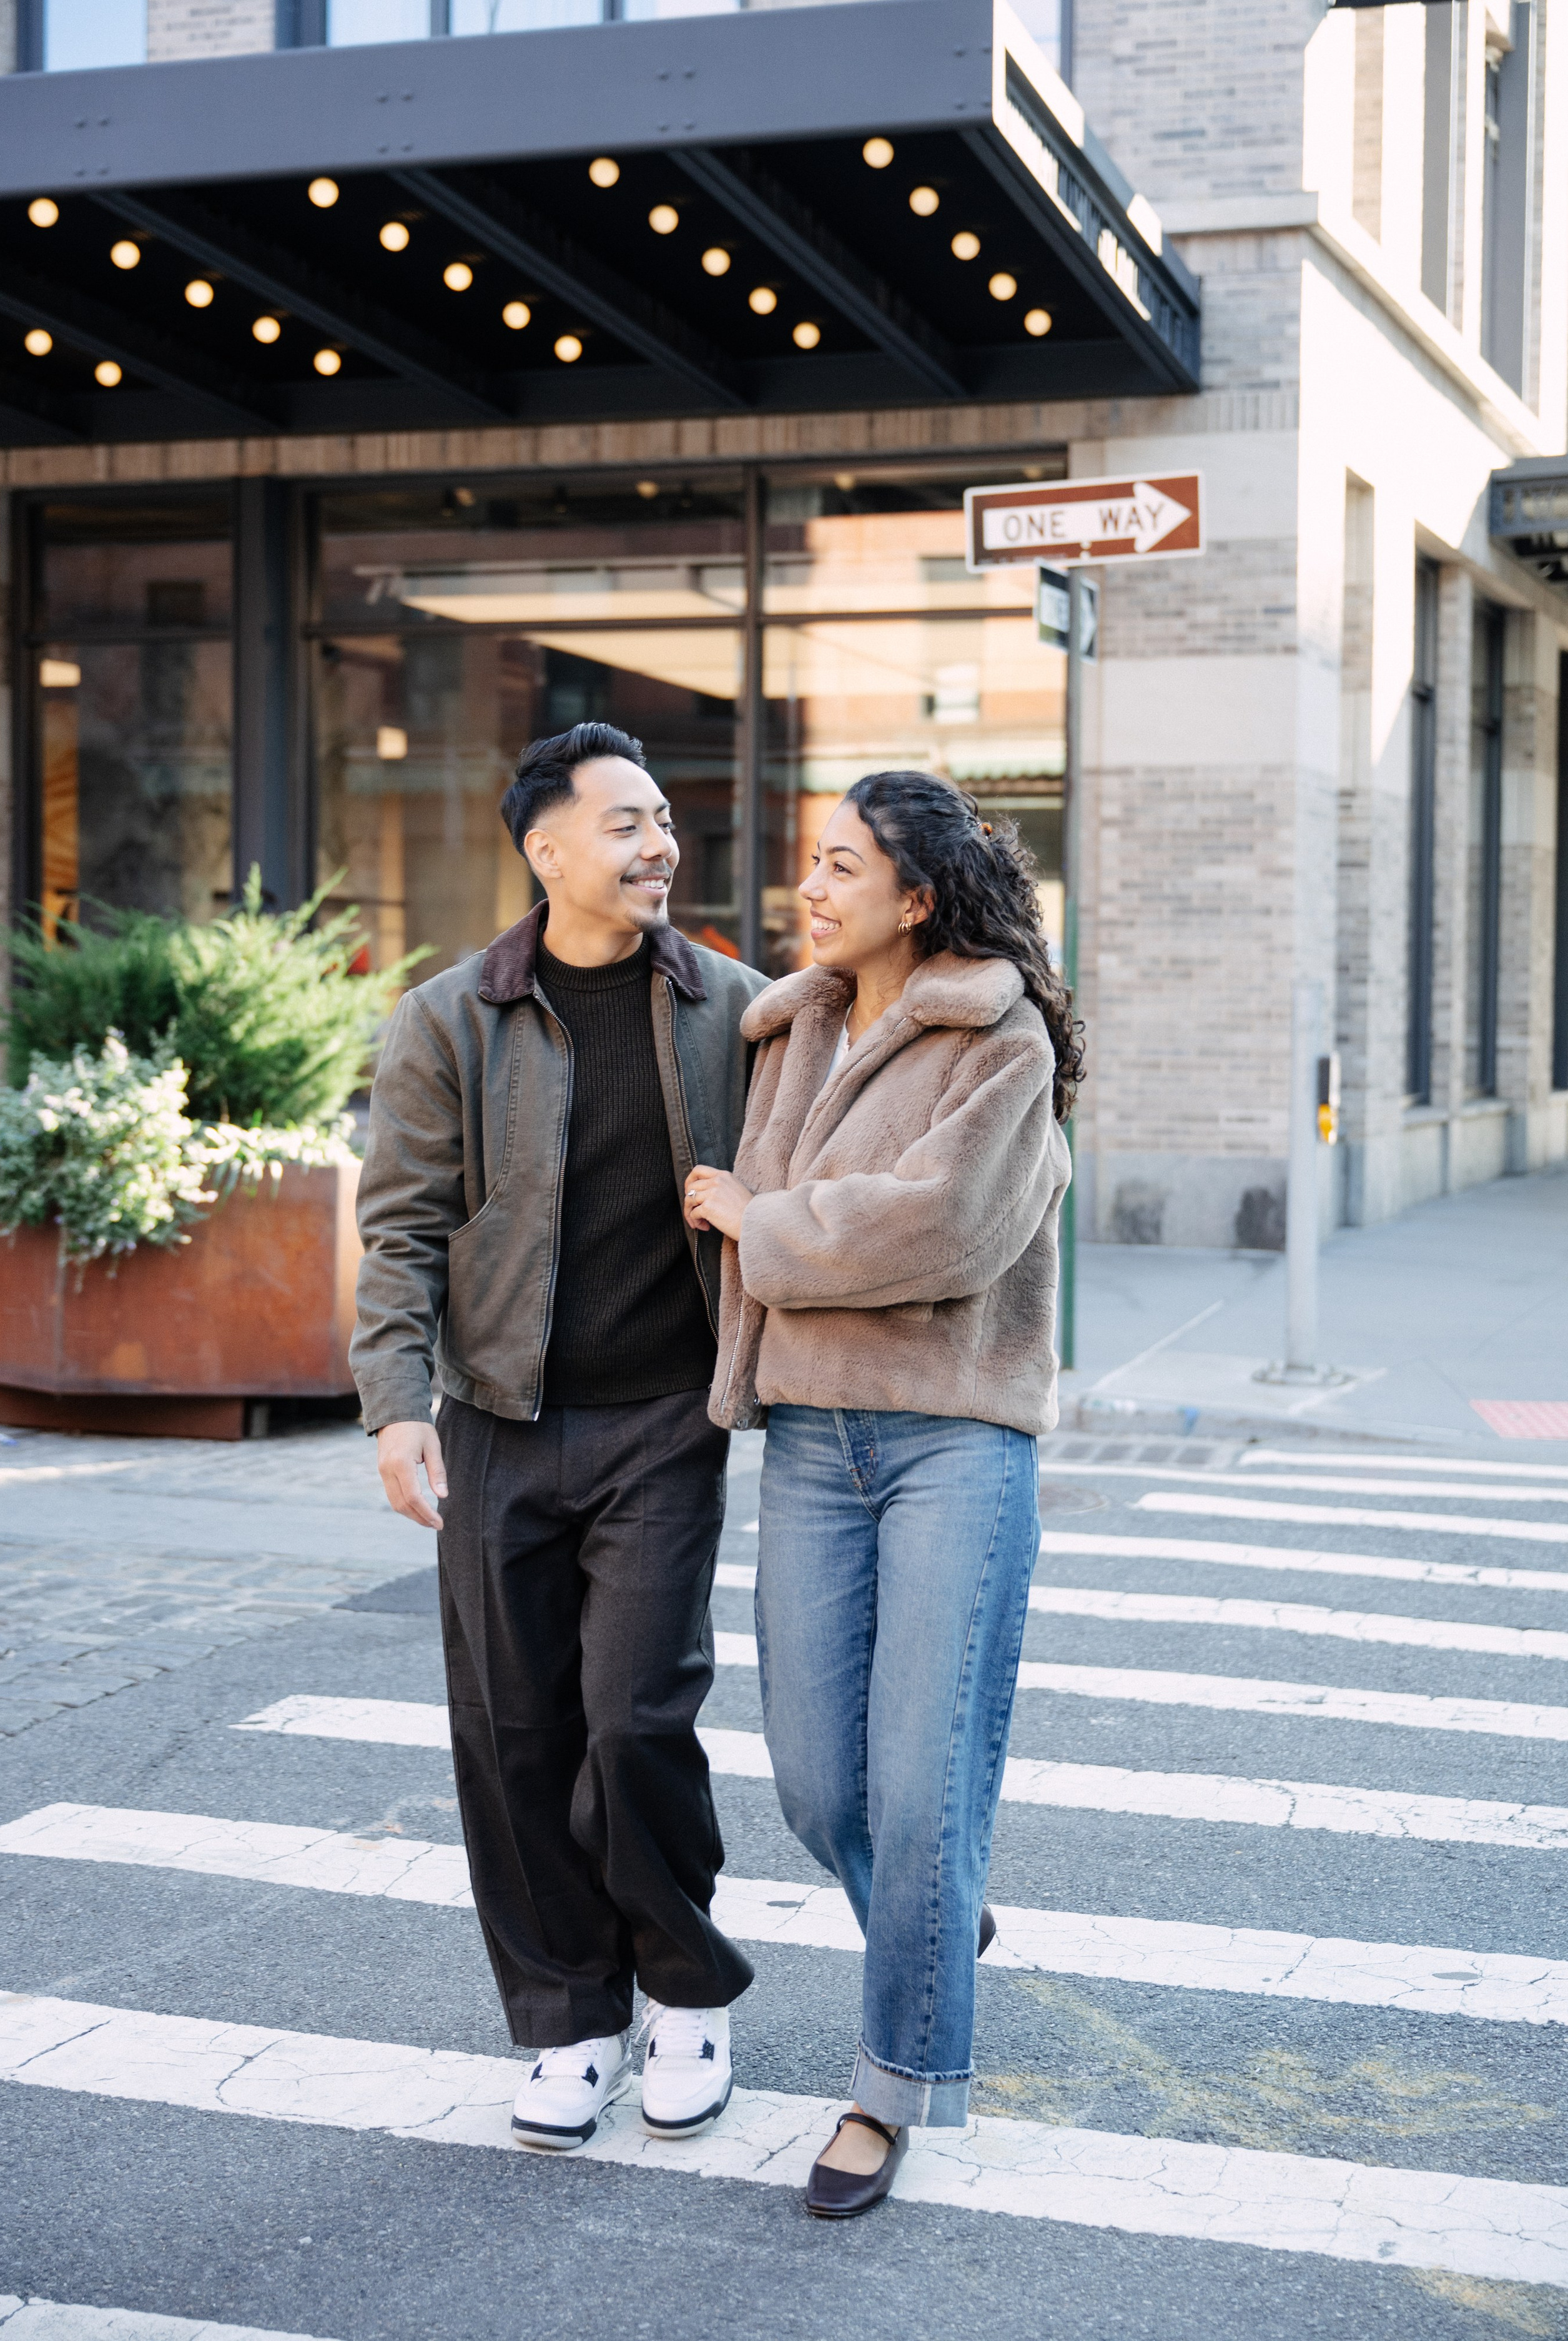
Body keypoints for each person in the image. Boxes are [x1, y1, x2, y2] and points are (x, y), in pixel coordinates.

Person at [352, 721, 767, 2153]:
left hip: (666, 1417)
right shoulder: (446, 1018)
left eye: (664, 821)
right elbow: (398, 1231)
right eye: (627, 823)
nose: (659, 845)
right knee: (510, 1729)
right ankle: (566, 2021)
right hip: (500, 1424)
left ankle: (685, 1988)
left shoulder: (738, 1008)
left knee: (634, 1717)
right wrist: (397, 1408)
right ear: (546, 850)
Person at [684, 768, 1080, 2219]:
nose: (814, 885)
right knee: (813, 1782)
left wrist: (755, 1219)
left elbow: (941, 1230)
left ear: (917, 897)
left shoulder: (1001, 1035)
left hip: (948, 1443)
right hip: (806, 1442)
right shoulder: (788, 1027)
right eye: (813, 861)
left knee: (917, 1788)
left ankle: (889, 2090)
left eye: (842, 866)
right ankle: (934, 1911)